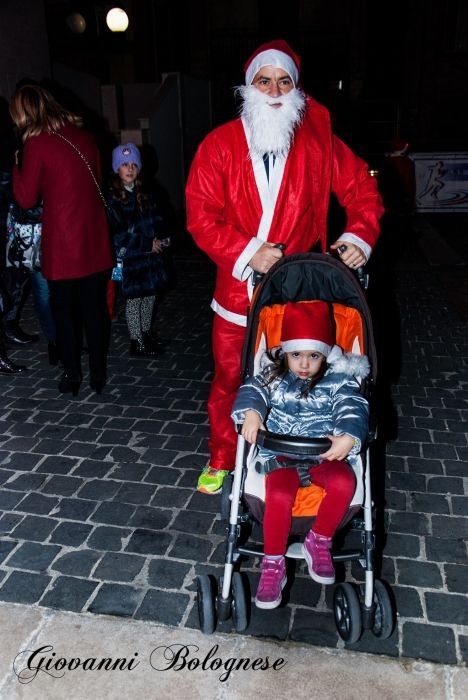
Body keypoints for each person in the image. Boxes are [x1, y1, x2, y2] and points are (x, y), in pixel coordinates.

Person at [185, 39, 384, 494]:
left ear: (296, 90)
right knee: (230, 376)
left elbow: (363, 190)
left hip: (297, 291)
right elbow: (200, 214)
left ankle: (297, 450)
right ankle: (221, 455)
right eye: (264, 80)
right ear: (248, 87)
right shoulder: (218, 145)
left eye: (284, 81)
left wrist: (358, 236)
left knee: (297, 377)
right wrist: (248, 250)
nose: (274, 90)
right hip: (237, 294)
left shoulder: (319, 144)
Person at [232, 301, 370, 608]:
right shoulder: (273, 377)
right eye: (296, 355)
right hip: (280, 456)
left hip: (324, 455)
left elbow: (353, 404)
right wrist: (252, 413)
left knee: (345, 482)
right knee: (279, 494)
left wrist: (349, 434)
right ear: (285, 352)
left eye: (313, 356)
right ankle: (272, 562)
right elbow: (252, 389)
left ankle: (319, 539)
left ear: (326, 355)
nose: (304, 364)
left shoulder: (337, 380)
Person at [10, 85, 113, 396]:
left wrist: (18, 166)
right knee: (93, 308)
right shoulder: (84, 135)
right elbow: (97, 177)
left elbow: (26, 199)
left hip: (64, 242)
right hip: (93, 237)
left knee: (64, 311)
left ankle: (72, 376)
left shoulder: (36, 143)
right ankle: (97, 373)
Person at [107, 143, 166, 357]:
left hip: (150, 258)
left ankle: (146, 332)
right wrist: (145, 244)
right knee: (135, 300)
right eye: (124, 165)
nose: (129, 169)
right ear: (117, 169)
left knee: (150, 296)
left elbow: (156, 218)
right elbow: (117, 234)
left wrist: (160, 237)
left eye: (133, 164)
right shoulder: (114, 198)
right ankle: (136, 340)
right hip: (133, 258)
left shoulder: (144, 192)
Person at [378, 136, 416, 215]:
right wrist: (410, 195)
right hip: (401, 195)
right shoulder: (406, 162)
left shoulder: (386, 160)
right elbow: (408, 180)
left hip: (387, 195)